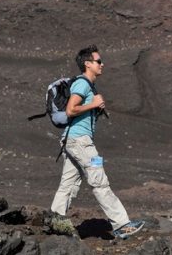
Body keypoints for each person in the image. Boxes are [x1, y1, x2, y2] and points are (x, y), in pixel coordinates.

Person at [51, 45, 145, 240]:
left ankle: (55, 222)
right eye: (98, 61)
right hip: (81, 142)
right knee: (99, 181)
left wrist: (94, 108)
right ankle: (121, 225)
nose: (102, 64)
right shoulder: (82, 84)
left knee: (68, 184)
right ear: (87, 64)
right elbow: (70, 110)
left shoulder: (88, 86)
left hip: (74, 140)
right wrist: (93, 104)